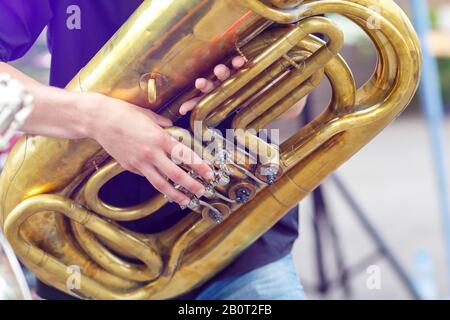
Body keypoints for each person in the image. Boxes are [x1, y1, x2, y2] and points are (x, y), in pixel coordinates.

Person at [0, 0, 307, 300]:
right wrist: (94, 118)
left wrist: (247, 78)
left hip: (242, 239)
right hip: (87, 252)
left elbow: (296, 101)